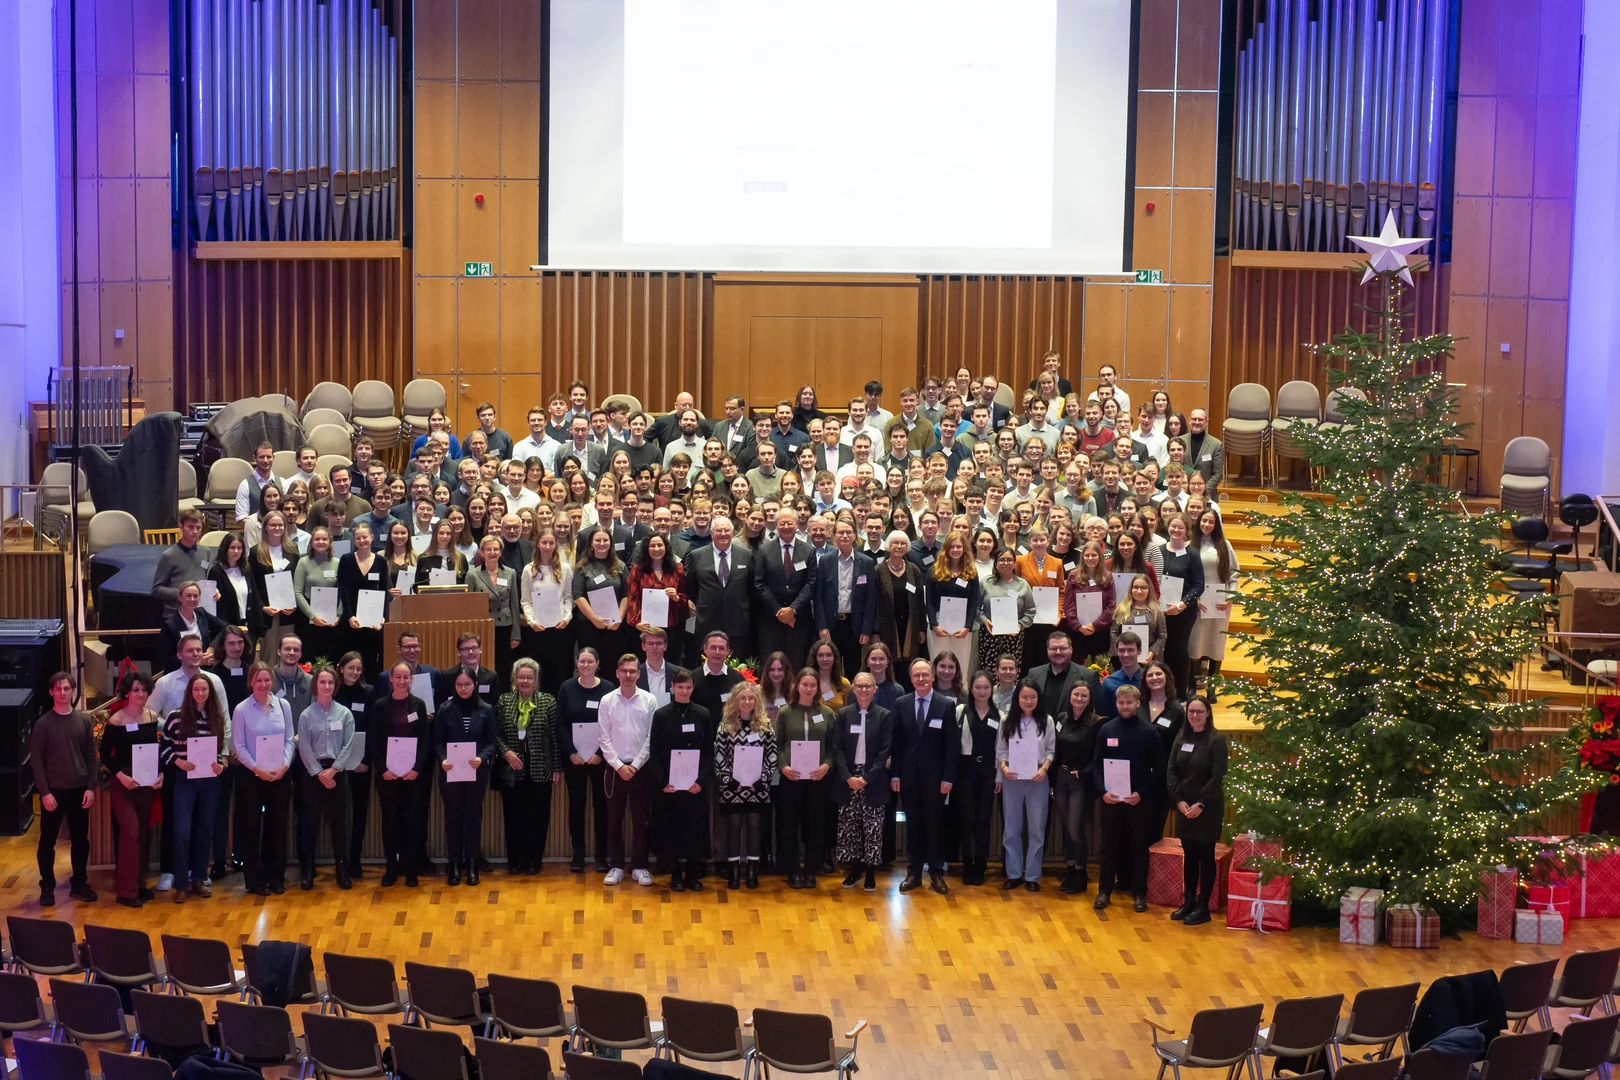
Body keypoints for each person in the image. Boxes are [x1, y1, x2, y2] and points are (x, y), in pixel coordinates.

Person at [892, 657, 959, 895]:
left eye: (925, 674)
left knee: (935, 826)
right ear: (911, 679)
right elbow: (896, 744)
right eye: (916, 675)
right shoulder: (901, 703)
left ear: (933, 677)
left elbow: (952, 746)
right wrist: (895, 775)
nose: (921, 679)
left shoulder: (945, 705)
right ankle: (914, 873)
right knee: (913, 825)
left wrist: (948, 778)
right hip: (908, 777)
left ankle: (937, 873)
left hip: (936, 779)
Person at [1091, 683, 1160, 912]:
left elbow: (1159, 769)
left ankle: (1139, 894)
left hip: (1138, 801)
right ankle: (1104, 891)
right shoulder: (1106, 730)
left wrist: (1141, 793)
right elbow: (1096, 766)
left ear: (1138, 703)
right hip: (1111, 801)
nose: (1125, 706)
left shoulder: (1149, 732)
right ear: (1116, 703)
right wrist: (1103, 792)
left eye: (1129, 702)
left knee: (1139, 847)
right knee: (1108, 847)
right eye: (1121, 702)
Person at [31, 672, 96, 906]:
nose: (62, 693)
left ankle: (79, 883)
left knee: (80, 840)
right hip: (54, 792)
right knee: (47, 841)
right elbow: (36, 761)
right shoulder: (43, 724)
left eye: (66, 688)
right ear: (51, 692)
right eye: (58, 689)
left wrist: (91, 787)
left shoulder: (83, 720)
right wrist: (45, 792)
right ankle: (47, 885)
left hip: (79, 789)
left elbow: (91, 756)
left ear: (72, 690)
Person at [164, 672, 229, 900]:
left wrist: (220, 764)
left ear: (210, 692)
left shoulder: (216, 718)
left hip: (210, 780)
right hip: (185, 779)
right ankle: (181, 884)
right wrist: (178, 762)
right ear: (189, 692)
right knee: (182, 831)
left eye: (204, 689)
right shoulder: (176, 717)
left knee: (205, 830)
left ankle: (199, 879)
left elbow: (219, 750)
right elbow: (164, 748)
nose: (200, 693)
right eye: (196, 689)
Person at [232, 662, 295, 896]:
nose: (263, 684)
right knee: (251, 828)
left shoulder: (283, 706)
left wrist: (285, 765)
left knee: (277, 826)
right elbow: (239, 746)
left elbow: (289, 739)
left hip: (279, 773)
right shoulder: (241, 709)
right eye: (258, 680)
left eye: (267, 680)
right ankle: (254, 880)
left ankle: (275, 877)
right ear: (251, 682)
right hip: (251, 776)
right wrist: (257, 769)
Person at [649, 668, 715, 891]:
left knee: (695, 828)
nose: (684, 691)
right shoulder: (662, 715)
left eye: (688, 687)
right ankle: (676, 873)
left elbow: (709, 752)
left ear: (693, 688)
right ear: (672, 687)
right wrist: (662, 782)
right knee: (672, 828)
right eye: (680, 687)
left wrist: (701, 781)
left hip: (695, 785)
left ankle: (693, 874)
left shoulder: (703, 714)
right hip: (671, 785)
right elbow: (654, 751)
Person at [597, 653, 659, 886]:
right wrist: (619, 765)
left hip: (640, 769)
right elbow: (603, 737)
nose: (628, 675)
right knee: (614, 821)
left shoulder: (649, 700)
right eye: (624, 671)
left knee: (641, 821)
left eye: (632, 671)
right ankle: (616, 866)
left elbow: (651, 737)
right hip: (614, 770)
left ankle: (640, 866)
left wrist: (634, 766)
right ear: (617, 673)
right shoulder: (607, 701)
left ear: (638, 674)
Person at [101, 671, 163, 907]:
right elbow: (105, 754)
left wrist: (160, 774)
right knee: (131, 831)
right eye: (136, 690)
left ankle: (140, 884)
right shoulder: (116, 720)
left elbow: (155, 749)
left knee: (144, 832)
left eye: (144, 689)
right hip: (124, 782)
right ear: (126, 693)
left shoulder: (152, 716)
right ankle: (126, 892)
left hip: (146, 782)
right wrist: (121, 776)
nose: (141, 694)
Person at [1166, 695, 1227, 925]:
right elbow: (1172, 769)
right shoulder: (1181, 736)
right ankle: (1189, 902)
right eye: (1191, 711)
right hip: (1184, 807)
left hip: (1207, 807)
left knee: (1205, 856)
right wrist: (1179, 800)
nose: (1195, 715)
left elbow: (1218, 775)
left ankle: (1203, 907)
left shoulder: (1216, 740)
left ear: (1208, 713)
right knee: (1189, 855)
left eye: (1199, 712)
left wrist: (1201, 803)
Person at [494, 658, 558, 876]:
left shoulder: (548, 701)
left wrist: (556, 767)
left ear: (536, 679)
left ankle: (533, 861)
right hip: (513, 769)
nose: (525, 681)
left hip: (541, 769)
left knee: (538, 819)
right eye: (521, 677)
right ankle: (515, 861)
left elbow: (554, 738)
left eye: (529, 677)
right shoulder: (504, 701)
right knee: (514, 818)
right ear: (514, 678)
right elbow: (495, 733)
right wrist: (506, 752)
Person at [829, 672, 892, 893]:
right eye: (859, 686)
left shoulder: (884, 715)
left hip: (873, 778)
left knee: (873, 827)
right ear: (854, 689)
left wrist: (866, 777)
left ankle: (871, 873)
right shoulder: (844, 714)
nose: (863, 690)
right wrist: (848, 777)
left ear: (875, 689)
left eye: (868, 686)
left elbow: (885, 751)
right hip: (848, 777)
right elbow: (836, 748)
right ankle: (854, 869)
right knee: (850, 826)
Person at [371, 661, 432, 887]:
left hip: (412, 775)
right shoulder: (380, 705)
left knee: (412, 821)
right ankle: (391, 867)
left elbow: (425, 740)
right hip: (387, 775)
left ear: (411, 680)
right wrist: (383, 769)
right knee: (390, 821)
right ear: (391, 679)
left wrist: (416, 769)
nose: (402, 681)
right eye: (398, 677)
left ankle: (410, 869)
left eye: (406, 677)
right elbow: (374, 740)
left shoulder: (419, 705)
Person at [775, 667, 836, 890]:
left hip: (818, 779)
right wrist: (784, 766)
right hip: (791, 778)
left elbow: (833, 746)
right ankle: (792, 870)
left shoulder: (827, 713)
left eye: (813, 685)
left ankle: (811, 870)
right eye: (805, 684)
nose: (809, 689)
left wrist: (827, 765)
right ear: (797, 686)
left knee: (815, 825)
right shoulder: (785, 713)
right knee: (789, 825)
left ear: (817, 688)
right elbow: (778, 745)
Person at [433, 668, 496, 885]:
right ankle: (453, 864)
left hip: (476, 772)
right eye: (459, 685)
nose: (463, 688)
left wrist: (482, 757)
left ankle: (471, 864)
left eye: (467, 684)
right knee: (452, 818)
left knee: (473, 818)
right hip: (450, 772)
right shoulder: (445, 709)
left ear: (475, 685)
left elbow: (491, 742)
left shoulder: (486, 709)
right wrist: (442, 759)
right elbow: (437, 741)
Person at [296, 665, 356, 891]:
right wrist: (319, 773)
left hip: (337, 774)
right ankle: (307, 870)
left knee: (339, 824)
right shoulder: (306, 715)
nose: (327, 686)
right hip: (313, 775)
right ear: (316, 685)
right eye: (322, 682)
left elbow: (349, 744)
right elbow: (304, 747)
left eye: (330, 682)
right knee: (310, 824)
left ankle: (342, 870)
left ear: (335, 685)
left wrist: (334, 770)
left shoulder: (344, 713)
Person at [713, 681, 775, 889]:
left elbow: (772, 756)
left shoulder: (765, 726)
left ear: (757, 701)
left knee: (755, 828)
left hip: (758, 789)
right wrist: (730, 781)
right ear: (735, 701)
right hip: (732, 788)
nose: (747, 702)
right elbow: (719, 757)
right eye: (742, 698)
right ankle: (734, 873)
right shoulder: (725, 726)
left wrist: (762, 780)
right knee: (733, 827)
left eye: (751, 698)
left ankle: (752, 873)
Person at [998, 680, 1055, 891]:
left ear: (1038, 698)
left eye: (1032, 697)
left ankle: (1032, 876)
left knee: (1037, 829)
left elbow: (1051, 750)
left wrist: (1044, 768)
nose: (1028, 701)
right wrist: (1004, 768)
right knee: (1011, 828)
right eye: (1024, 697)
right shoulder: (1006, 720)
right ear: (1017, 698)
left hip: (1037, 779)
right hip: (1012, 778)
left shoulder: (1046, 720)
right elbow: (1001, 750)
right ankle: (1014, 873)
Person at [558, 649, 612, 873]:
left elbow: (611, 724)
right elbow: (560, 723)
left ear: (597, 663)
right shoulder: (567, 688)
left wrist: (600, 753)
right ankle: (578, 854)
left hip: (600, 758)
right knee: (576, 806)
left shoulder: (608, 688)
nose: (586, 665)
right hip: (575, 759)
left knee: (602, 807)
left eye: (590, 661)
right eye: (582, 661)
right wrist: (571, 753)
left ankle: (602, 856)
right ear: (577, 663)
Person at [1054, 680, 1103, 894]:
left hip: (1079, 782)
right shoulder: (1061, 719)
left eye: (1084, 695)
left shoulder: (1096, 723)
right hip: (1061, 778)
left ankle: (1081, 872)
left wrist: (1083, 772)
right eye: (1076, 694)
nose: (1079, 699)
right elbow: (1055, 749)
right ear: (1070, 696)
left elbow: (1099, 757)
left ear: (1090, 699)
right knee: (1067, 829)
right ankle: (1071, 869)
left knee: (1075, 830)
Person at [954, 670, 1001, 887]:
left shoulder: (1000, 715)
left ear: (992, 689)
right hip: (965, 771)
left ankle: (980, 864)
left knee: (983, 819)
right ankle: (967, 864)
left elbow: (1002, 749)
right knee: (966, 819)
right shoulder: (961, 711)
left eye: (986, 688)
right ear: (971, 689)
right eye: (977, 687)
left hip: (988, 772)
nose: (982, 692)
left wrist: (999, 777)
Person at [753, 507, 816, 666]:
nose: (786, 527)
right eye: (782, 523)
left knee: (796, 665)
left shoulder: (808, 551)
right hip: (770, 620)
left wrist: (793, 609)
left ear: (797, 524)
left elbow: (811, 583)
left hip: (798, 620)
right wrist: (779, 611)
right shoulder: (764, 550)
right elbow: (760, 583)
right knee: (770, 666)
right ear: (776, 525)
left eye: (789, 523)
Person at [686, 516, 755, 662]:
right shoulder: (696, 555)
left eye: (726, 530)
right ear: (712, 533)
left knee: (737, 666)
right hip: (707, 620)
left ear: (732, 532)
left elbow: (751, 588)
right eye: (719, 530)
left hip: (737, 621)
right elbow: (691, 587)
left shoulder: (746, 555)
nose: (723, 534)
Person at [1189, 509, 1239, 699]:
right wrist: (1193, 598)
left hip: (1220, 602)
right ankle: (1192, 686)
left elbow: (1234, 574)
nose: (1207, 525)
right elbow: (1186, 575)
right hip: (1198, 602)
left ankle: (1212, 688)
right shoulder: (1191, 544)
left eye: (1211, 522)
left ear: (1216, 525)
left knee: (1216, 644)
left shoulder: (1224, 545)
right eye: (1204, 521)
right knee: (1196, 643)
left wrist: (1230, 597)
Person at [814, 520, 877, 669]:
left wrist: (866, 629)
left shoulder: (866, 562)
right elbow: (818, 597)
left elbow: (870, 599)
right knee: (830, 668)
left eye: (848, 532)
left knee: (853, 668)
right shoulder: (825, 561)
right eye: (840, 532)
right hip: (832, 625)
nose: (844, 536)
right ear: (834, 535)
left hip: (854, 626)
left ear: (855, 535)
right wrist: (822, 626)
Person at [332, 652, 373, 877]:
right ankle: (340, 861)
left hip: (360, 763)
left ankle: (355, 860)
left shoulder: (369, 692)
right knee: (338, 814)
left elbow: (374, 728)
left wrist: (366, 761)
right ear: (341, 668)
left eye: (358, 669)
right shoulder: (333, 692)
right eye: (351, 668)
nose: (355, 672)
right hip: (335, 763)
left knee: (359, 813)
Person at [463, 535, 522, 677]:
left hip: (505, 626)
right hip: (483, 626)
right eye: (488, 549)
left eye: (496, 549)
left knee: (504, 667)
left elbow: (514, 604)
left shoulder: (510, 573)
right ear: (482, 552)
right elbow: (468, 606)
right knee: (485, 664)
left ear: (500, 552)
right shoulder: (472, 574)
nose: (492, 552)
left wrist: (516, 633)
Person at [337, 522, 390, 674]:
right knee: (350, 660)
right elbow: (343, 590)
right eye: (358, 538)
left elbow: (385, 591)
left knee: (371, 662)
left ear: (372, 537)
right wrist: (349, 616)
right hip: (352, 621)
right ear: (354, 540)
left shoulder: (381, 561)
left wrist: (383, 617)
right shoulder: (346, 560)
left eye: (365, 537)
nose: (362, 540)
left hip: (373, 621)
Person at [1141, 661, 1184, 842]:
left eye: (1158, 674)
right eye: (1150, 675)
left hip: (1162, 778)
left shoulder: (1177, 709)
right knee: (1134, 829)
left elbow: (1179, 746)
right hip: (1137, 776)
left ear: (1167, 677)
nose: (1154, 678)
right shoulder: (1138, 705)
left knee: (1155, 828)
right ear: (1145, 680)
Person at [872, 530, 928, 669]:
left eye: (903, 543)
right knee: (889, 663)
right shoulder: (879, 570)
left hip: (910, 625)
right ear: (888, 545)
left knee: (908, 664)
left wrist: (922, 629)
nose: (899, 546)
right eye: (895, 543)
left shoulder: (913, 570)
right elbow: (874, 603)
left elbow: (920, 602)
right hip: (887, 627)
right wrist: (875, 631)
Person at [573, 528, 630, 664]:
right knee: (590, 664)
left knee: (612, 664)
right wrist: (594, 619)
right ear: (591, 543)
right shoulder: (582, 567)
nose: (602, 543)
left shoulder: (620, 566)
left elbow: (626, 594)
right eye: (598, 540)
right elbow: (578, 595)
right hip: (588, 624)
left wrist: (619, 618)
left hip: (614, 625)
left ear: (611, 542)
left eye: (605, 540)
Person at [248, 510, 300, 658]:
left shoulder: (293, 549)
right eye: (273, 525)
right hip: (267, 611)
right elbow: (252, 584)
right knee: (269, 653)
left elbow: (297, 580)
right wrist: (262, 607)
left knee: (288, 651)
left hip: (288, 611)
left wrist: (294, 604)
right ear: (265, 527)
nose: (277, 528)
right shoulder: (256, 551)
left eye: (280, 525)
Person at [977, 547, 1034, 674]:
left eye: (1009, 560)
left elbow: (1030, 611)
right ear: (995, 563)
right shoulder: (985, 582)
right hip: (989, 636)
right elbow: (975, 607)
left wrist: (1020, 625)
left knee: (1010, 672)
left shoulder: (1023, 584)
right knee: (988, 672)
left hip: (1013, 637)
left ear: (1014, 563)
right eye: (1002, 560)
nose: (1006, 563)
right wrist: (984, 620)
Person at [293, 526, 343, 665]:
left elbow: (342, 592)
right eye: (317, 539)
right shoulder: (303, 562)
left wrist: (339, 615)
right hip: (307, 618)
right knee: (308, 659)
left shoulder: (337, 563)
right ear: (312, 542)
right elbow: (298, 592)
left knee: (330, 659)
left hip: (331, 619)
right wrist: (312, 616)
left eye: (324, 539)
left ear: (330, 542)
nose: (321, 542)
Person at [1063, 541, 1116, 662]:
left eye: (1094, 555)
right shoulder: (1073, 575)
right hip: (1078, 632)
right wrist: (1078, 626)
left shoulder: (1108, 576)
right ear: (1082, 557)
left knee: (1100, 666)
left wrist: (1095, 625)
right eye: (1087, 555)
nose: (1090, 558)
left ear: (1100, 556)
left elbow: (1111, 605)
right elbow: (1068, 605)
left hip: (1100, 632)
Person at [153, 511, 212, 619]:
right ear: (181, 527)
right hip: (175, 615)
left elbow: (204, 579)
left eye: (198, 527)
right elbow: (157, 589)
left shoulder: (205, 552)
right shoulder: (169, 556)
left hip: (198, 614)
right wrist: (183, 594)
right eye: (190, 527)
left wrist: (212, 590)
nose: (195, 531)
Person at [160, 581, 225, 671]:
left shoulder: (202, 613)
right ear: (180, 597)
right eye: (188, 596)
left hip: (205, 670)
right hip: (181, 671)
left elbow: (225, 628)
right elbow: (165, 658)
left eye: (195, 596)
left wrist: (212, 647)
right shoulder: (170, 624)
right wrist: (195, 661)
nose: (192, 599)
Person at [1110, 574, 1167, 667]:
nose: (1139, 591)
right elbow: (1114, 632)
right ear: (1131, 589)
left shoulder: (1157, 611)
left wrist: (1152, 652)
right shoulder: (1121, 609)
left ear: (1149, 590)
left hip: (1149, 660)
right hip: (1124, 659)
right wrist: (1120, 652)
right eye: (1136, 587)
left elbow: (1162, 636)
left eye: (1143, 587)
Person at [1176, 409, 1225, 497]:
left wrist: (1202, 490)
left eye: (1200, 419)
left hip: (1207, 495)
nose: (1197, 422)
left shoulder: (1216, 445)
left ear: (1206, 422)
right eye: (1194, 419)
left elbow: (1217, 474)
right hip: (1183, 494)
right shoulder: (1180, 441)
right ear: (1189, 420)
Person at [206, 533, 252, 627]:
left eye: (239, 548)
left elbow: (253, 596)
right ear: (225, 549)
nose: (236, 551)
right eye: (232, 548)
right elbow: (217, 605)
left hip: (248, 622)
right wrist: (225, 626)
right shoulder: (216, 572)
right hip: (227, 625)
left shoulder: (246, 569)